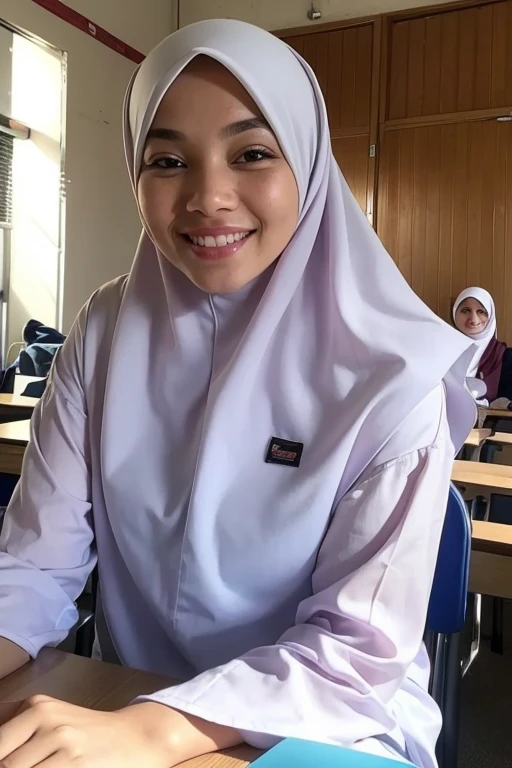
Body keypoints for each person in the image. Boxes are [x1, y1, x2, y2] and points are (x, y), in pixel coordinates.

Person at [0, 19, 475, 768]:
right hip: (130, 701)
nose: (208, 196)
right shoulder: (107, 328)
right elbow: (34, 563)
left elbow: (353, 656)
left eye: (252, 153)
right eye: (166, 161)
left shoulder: (392, 373)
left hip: (322, 723)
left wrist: (156, 728)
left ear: (310, 165)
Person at [452, 287, 507, 405]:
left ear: (491, 315)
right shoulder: (445, 350)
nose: (473, 319)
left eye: (481, 312)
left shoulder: (505, 358)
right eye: (465, 311)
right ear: (455, 313)